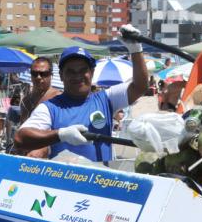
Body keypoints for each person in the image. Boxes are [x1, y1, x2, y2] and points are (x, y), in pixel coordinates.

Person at [14, 24, 149, 161]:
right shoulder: (50, 108)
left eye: (83, 70)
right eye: (71, 71)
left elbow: (140, 87)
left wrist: (136, 50)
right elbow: (20, 138)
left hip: (102, 179)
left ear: (92, 73)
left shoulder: (107, 99)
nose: (77, 76)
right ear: (61, 76)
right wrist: (60, 135)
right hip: (64, 180)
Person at [20, 57, 61, 122]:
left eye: (43, 74)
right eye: (34, 73)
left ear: (51, 75)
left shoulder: (59, 98)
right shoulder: (26, 101)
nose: (38, 77)